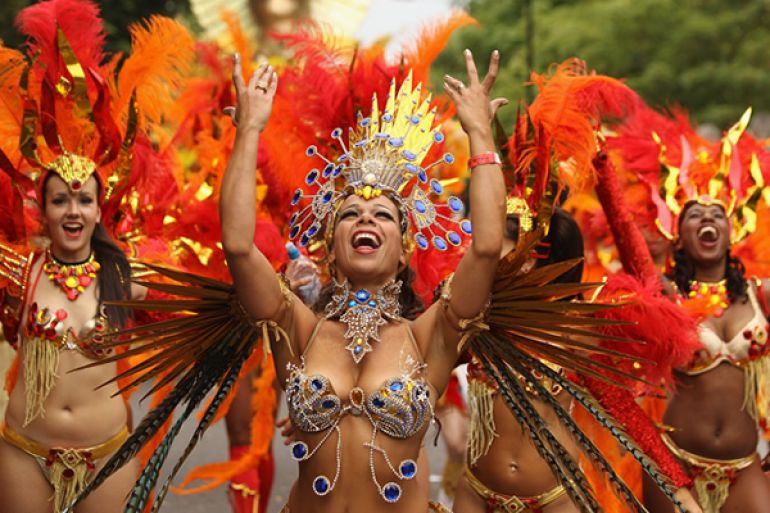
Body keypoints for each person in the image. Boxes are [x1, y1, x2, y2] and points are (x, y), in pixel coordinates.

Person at [219, 46, 507, 512]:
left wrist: (479, 135)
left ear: (405, 247)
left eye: (383, 215)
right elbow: (236, 245)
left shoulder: (430, 336)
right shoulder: (298, 329)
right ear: (331, 246)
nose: (365, 218)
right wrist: (249, 130)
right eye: (350, 213)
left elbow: (488, 247)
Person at [0, 2, 194, 512]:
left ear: (99, 207)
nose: (73, 210)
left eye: (84, 199)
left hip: (107, 455)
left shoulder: (128, 275)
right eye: (60, 198)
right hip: (24, 454)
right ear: (41, 206)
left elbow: (208, 306)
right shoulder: (18, 271)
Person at [597, 102, 770, 513]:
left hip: (744, 467)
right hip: (676, 466)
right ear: (679, 237)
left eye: (717, 215)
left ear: (732, 230)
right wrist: (602, 165)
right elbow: (625, 233)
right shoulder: (666, 294)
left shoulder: (761, 295)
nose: (707, 220)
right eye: (694, 215)